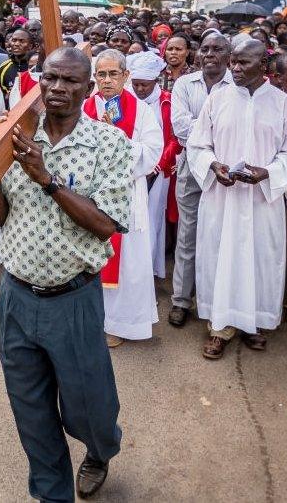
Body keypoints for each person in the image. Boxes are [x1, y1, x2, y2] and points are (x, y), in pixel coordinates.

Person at [0, 46, 132, 503]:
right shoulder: (15, 138)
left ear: (89, 89)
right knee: (31, 409)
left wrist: (46, 178)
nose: (57, 89)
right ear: (38, 82)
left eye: (70, 81)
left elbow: (107, 223)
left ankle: (100, 450)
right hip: (17, 298)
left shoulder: (109, 144)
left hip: (74, 299)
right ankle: (52, 493)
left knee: (89, 409)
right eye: (50, 79)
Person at [187, 39, 287, 359]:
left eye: (243, 63)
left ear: (263, 67)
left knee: (261, 259)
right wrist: (213, 165)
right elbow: (197, 145)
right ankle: (220, 326)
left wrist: (268, 173)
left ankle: (254, 322)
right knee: (220, 258)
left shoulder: (282, 104)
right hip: (223, 199)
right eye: (233, 62)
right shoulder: (217, 98)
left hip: (262, 200)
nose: (234, 68)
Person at [82, 49, 162, 347]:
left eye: (113, 73)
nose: (106, 80)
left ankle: (120, 323)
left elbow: (152, 150)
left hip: (126, 197)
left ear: (126, 76)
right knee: (88, 258)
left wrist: (115, 138)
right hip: (90, 198)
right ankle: (91, 322)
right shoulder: (83, 108)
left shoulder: (140, 110)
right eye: (101, 74)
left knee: (127, 261)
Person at [167, 32, 233, 327]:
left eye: (217, 49)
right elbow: (180, 129)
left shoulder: (237, 86)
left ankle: (216, 300)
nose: (210, 54)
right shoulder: (184, 84)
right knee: (187, 235)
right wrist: (216, 126)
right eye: (205, 49)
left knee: (222, 236)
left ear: (228, 56)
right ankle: (181, 299)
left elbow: (236, 130)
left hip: (226, 170)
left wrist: (204, 127)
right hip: (190, 168)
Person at [129, 51, 179, 279]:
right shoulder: (127, 100)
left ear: (155, 82)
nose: (140, 90)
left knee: (152, 221)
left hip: (159, 172)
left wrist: (156, 166)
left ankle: (147, 273)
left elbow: (173, 138)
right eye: (136, 84)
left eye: (145, 85)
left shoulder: (167, 101)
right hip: (133, 171)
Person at [0, 28, 34, 101]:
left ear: (30, 46)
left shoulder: (35, 67)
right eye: (14, 40)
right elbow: (1, 96)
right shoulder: (3, 68)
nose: (16, 44)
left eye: (21, 41)